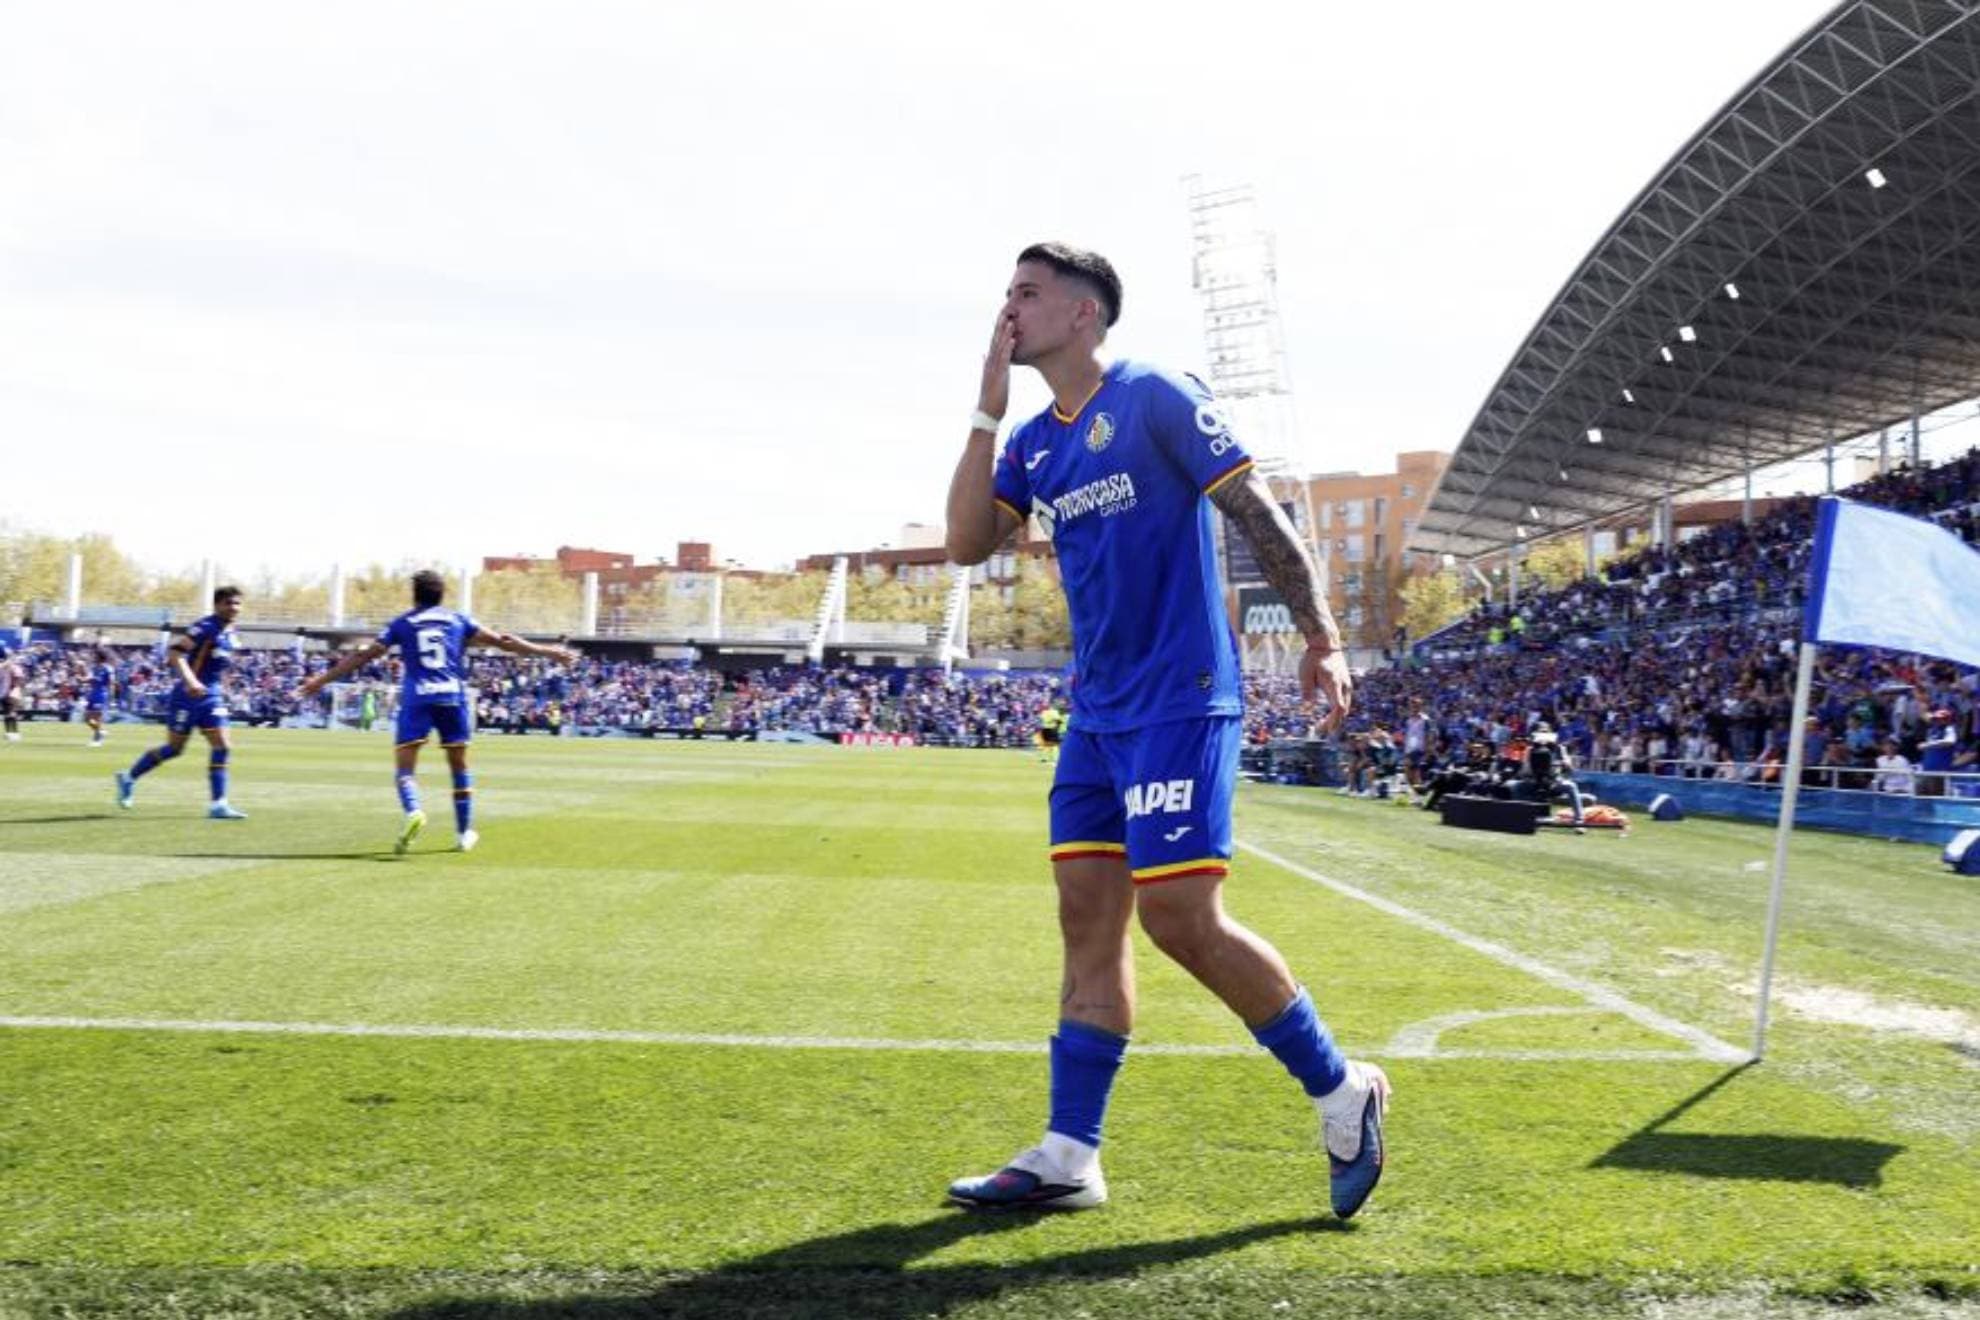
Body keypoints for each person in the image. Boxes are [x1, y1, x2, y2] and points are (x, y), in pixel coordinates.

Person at [941, 242, 1386, 1218]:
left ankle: (1342, 1089)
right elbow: (967, 543)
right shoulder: (1032, 443)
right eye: (1005, 294)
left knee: (1179, 919)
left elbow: (1254, 511)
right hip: (1097, 714)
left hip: (1182, 697)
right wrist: (984, 405)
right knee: (1086, 922)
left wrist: (1322, 635)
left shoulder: (1155, 394)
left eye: (1026, 293)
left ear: (1085, 314)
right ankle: (1069, 1154)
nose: (1007, 310)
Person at [295, 570, 577, 853]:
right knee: (459, 766)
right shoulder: (457, 619)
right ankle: (464, 833)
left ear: (414, 596)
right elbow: (504, 641)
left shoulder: (402, 623)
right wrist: (549, 651)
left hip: (417, 698)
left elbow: (363, 655)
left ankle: (414, 811)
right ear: (442, 595)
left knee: (405, 769)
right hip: (452, 697)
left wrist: (319, 681)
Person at [115, 587, 250, 818]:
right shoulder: (205, 627)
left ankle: (218, 804)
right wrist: (191, 681)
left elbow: (215, 665)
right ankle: (128, 777)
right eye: (229, 603)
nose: (234, 607)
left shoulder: (231, 633)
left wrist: (224, 688)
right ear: (217, 605)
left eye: (237, 603)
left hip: (212, 697)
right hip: (187, 697)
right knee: (175, 749)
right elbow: (174, 654)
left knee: (223, 746)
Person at [83, 648, 115, 747]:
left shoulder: (108, 669)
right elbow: (90, 679)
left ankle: (97, 740)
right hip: (92, 694)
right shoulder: (94, 668)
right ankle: (100, 731)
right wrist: (83, 680)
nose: (93, 657)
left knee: (97, 718)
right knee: (87, 718)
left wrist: (111, 698)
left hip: (101, 695)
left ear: (99, 657)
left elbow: (111, 684)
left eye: (95, 655)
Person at [0, 651, 24, 743]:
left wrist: (15, 689)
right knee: (7, 713)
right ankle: (9, 733)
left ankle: (15, 733)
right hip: (3, 693)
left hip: (12, 693)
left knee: (12, 713)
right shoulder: (3, 667)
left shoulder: (15, 668)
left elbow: (19, 680)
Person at [1036, 698, 1066, 764]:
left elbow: (1042, 720)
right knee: (1055, 745)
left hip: (1045, 728)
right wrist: (1058, 725)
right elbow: (1058, 720)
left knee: (1046, 745)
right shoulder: (1054, 712)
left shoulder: (1043, 712)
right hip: (1052, 729)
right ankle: (1056, 759)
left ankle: (1045, 758)